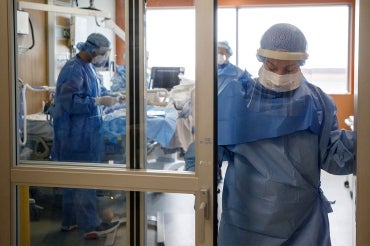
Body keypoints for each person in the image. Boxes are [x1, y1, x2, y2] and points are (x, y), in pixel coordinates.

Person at [217, 23, 355, 245]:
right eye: (272, 67)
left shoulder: (316, 102)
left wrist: (360, 141)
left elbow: (333, 156)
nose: (279, 75)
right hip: (245, 222)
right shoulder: (239, 99)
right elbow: (209, 148)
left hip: (303, 223)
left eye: (289, 69)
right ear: (261, 61)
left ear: (301, 65)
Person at [50, 33, 120, 239]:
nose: (104, 56)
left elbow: (96, 90)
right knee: (84, 179)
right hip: (75, 135)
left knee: (73, 180)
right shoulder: (73, 69)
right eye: (103, 52)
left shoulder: (88, 67)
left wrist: (114, 97)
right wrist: (98, 102)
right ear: (91, 49)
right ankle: (90, 225)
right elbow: (70, 103)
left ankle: (70, 221)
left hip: (86, 132)